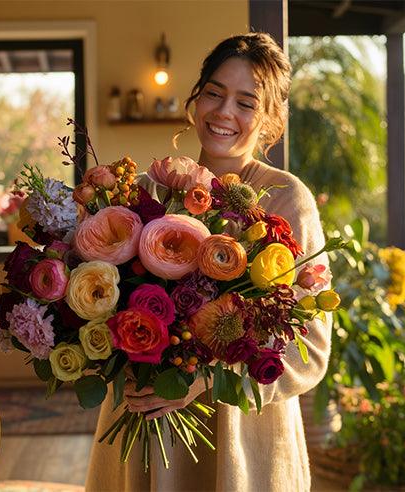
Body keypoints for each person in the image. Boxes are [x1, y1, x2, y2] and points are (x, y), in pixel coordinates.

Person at [85, 32, 332, 492]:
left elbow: (310, 349)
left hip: (244, 444)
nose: (223, 112)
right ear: (195, 99)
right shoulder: (146, 193)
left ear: (271, 118)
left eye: (246, 102)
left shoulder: (286, 200)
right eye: (214, 93)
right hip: (140, 436)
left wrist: (199, 379)